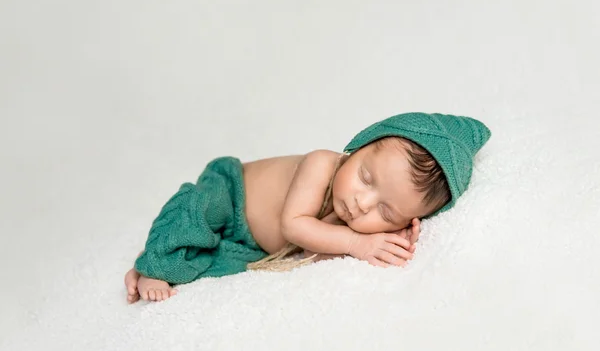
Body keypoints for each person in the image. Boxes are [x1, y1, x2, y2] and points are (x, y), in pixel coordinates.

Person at [124, 112, 491, 303]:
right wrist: (357, 244)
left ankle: (156, 262)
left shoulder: (363, 222)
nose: (361, 204)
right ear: (359, 145)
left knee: (218, 262)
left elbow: (310, 251)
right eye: (365, 176)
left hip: (252, 242)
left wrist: (392, 239)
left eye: (387, 212)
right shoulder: (322, 164)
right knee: (199, 210)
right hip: (233, 191)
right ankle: (156, 261)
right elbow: (295, 227)